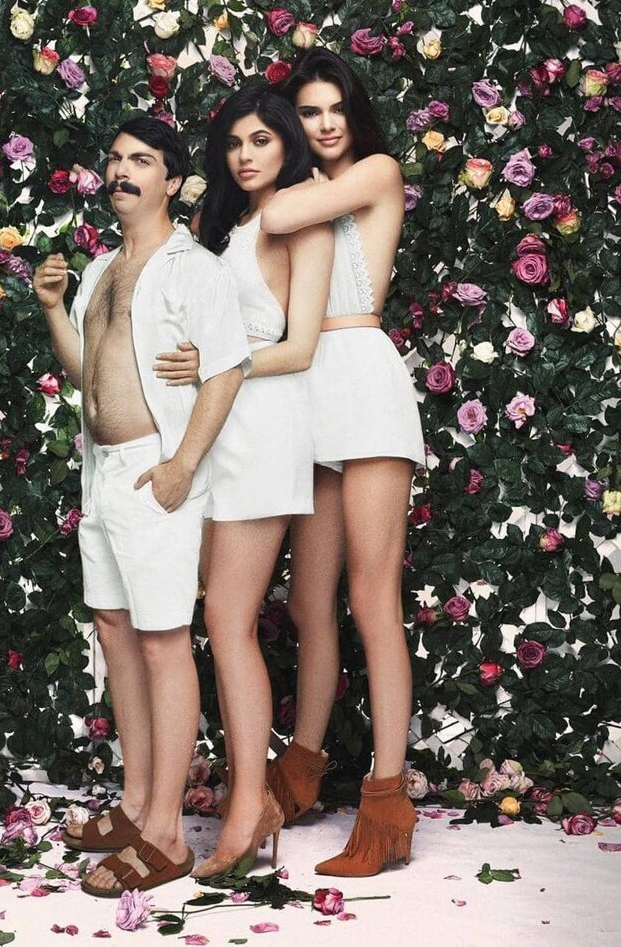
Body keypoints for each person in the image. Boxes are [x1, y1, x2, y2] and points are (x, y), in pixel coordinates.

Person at [33, 116, 251, 896]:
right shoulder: (100, 268)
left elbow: (227, 368)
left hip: (155, 473)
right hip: (102, 476)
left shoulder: (196, 269)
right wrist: (54, 307)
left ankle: (165, 835)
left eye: (142, 160)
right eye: (116, 158)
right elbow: (87, 371)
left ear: (173, 181)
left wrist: (181, 465)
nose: (122, 170)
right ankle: (134, 805)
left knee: (163, 643)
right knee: (116, 632)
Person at [261, 48, 426, 877]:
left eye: (334, 108)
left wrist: (264, 183)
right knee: (305, 601)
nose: (325, 123)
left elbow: (276, 216)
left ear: (352, 115)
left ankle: (388, 799)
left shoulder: (375, 172)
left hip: (362, 377)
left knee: (372, 596)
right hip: (306, 385)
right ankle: (302, 764)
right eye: (309, 112)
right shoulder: (304, 188)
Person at [189, 85, 333, 880]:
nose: (245, 155)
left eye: (262, 140)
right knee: (220, 615)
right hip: (218, 425)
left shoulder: (298, 217)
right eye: (234, 142)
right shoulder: (230, 224)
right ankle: (250, 795)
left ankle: (251, 801)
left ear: (288, 145)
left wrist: (220, 363)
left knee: (228, 615)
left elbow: (300, 344)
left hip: (265, 423)